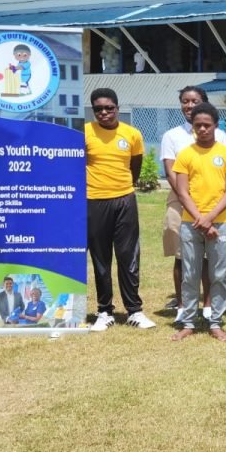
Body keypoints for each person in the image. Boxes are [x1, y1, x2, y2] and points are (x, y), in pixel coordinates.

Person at [170, 102, 226, 341]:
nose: (202, 129)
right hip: (190, 223)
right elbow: (182, 192)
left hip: (219, 223)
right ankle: (189, 321)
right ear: (192, 127)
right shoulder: (186, 155)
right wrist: (201, 220)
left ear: (215, 126)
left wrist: (209, 219)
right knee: (190, 273)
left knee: (219, 274)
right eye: (197, 125)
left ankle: (216, 322)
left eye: (207, 125)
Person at [85, 87, 154, 331]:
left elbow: (135, 167)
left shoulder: (132, 134)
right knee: (101, 258)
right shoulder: (85, 133)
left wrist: (122, 188)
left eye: (109, 108)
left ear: (117, 108)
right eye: (98, 109)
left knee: (128, 257)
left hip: (124, 200)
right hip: (93, 200)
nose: (104, 113)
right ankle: (104, 311)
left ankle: (135, 310)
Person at [161, 86, 226, 316]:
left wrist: (205, 210)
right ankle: (182, 305)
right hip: (181, 201)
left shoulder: (220, 135)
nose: (189, 105)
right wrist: (188, 200)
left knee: (210, 255)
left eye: (194, 101)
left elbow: (225, 173)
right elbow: (171, 172)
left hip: (212, 205)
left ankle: (208, 305)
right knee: (182, 255)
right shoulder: (172, 135)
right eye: (185, 101)